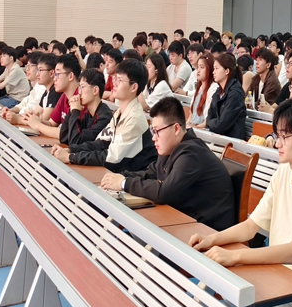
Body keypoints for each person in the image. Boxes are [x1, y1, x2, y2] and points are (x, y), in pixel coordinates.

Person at [190, 99, 292, 307]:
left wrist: (234, 256)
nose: (277, 143)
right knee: (217, 291)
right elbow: (251, 226)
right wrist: (211, 239)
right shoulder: (284, 171)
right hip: (276, 276)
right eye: (277, 135)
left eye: (284, 136)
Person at [101, 97, 236, 231]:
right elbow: (150, 174)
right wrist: (119, 177)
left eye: (157, 131)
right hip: (187, 220)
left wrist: (124, 183)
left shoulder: (191, 154)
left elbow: (164, 192)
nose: (153, 138)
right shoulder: (172, 148)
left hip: (208, 230)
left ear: (176, 128)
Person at [52, 59, 157, 171]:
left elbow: (111, 158)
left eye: (120, 80)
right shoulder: (119, 113)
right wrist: (71, 150)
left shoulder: (135, 119)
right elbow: (100, 144)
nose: (114, 83)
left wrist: (70, 157)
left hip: (133, 177)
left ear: (134, 87)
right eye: (115, 78)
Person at [25, 54, 81, 138]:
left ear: (70, 76)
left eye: (57, 74)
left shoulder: (81, 98)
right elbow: (51, 123)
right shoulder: (64, 96)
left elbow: (67, 134)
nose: (54, 79)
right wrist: (36, 120)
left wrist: (38, 125)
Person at [58, 69, 114, 146]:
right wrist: (71, 111)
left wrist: (75, 111)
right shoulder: (88, 113)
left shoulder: (104, 117)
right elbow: (64, 138)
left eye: (82, 87)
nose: (79, 93)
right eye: (79, 88)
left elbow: (75, 141)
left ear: (95, 90)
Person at [1, 53, 60, 125]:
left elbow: (42, 121)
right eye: (37, 70)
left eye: (40, 70)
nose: (37, 74)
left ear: (52, 73)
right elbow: (35, 114)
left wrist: (18, 119)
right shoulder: (46, 91)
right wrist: (11, 114)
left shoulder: (55, 92)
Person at [206, 53, 246, 138]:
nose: (213, 72)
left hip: (231, 140)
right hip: (218, 136)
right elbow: (210, 115)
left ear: (227, 71)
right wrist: (210, 122)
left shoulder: (235, 93)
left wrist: (209, 122)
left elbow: (222, 125)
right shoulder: (218, 91)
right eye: (214, 68)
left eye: (217, 68)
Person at [186, 54, 218, 128]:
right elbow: (190, 117)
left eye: (202, 67)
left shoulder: (214, 89)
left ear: (210, 69)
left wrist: (193, 129)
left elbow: (206, 122)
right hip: (194, 128)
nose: (198, 70)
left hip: (203, 130)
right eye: (198, 67)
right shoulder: (199, 89)